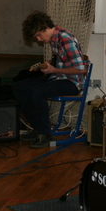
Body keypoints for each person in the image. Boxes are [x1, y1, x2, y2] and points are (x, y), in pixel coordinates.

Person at [13, 11, 88, 149]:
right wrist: (48, 64)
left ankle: (45, 134)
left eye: (39, 35)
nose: (39, 39)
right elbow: (61, 61)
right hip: (59, 78)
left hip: (72, 83)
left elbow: (81, 69)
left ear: (45, 28)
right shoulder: (55, 39)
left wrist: (53, 70)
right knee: (19, 87)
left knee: (38, 92)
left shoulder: (65, 38)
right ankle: (37, 128)